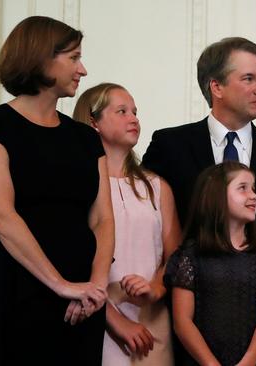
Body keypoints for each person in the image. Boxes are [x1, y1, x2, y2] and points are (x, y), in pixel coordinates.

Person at [142, 36, 256, 364]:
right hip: (184, 324)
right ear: (216, 86)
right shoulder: (169, 145)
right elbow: (144, 215)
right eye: (248, 79)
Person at [0, 16, 114, 365]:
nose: (82, 69)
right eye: (73, 57)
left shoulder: (85, 138)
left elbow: (103, 219)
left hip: (81, 296)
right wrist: (62, 284)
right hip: (11, 285)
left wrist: (95, 287)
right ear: (41, 58)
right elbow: (1, 215)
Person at [73, 83, 181, 365]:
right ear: (93, 121)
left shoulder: (157, 187)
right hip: (96, 319)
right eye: (122, 111)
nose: (134, 118)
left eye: (135, 111)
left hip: (152, 323)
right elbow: (70, 260)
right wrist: (116, 321)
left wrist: (156, 287)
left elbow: (176, 254)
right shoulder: (78, 188)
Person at [166, 162, 256, 365]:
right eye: (243, 188)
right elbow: (183, 322)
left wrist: (247, 362)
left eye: (253, 188)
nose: (254, 195)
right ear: (217, 195)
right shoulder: (190, 255)